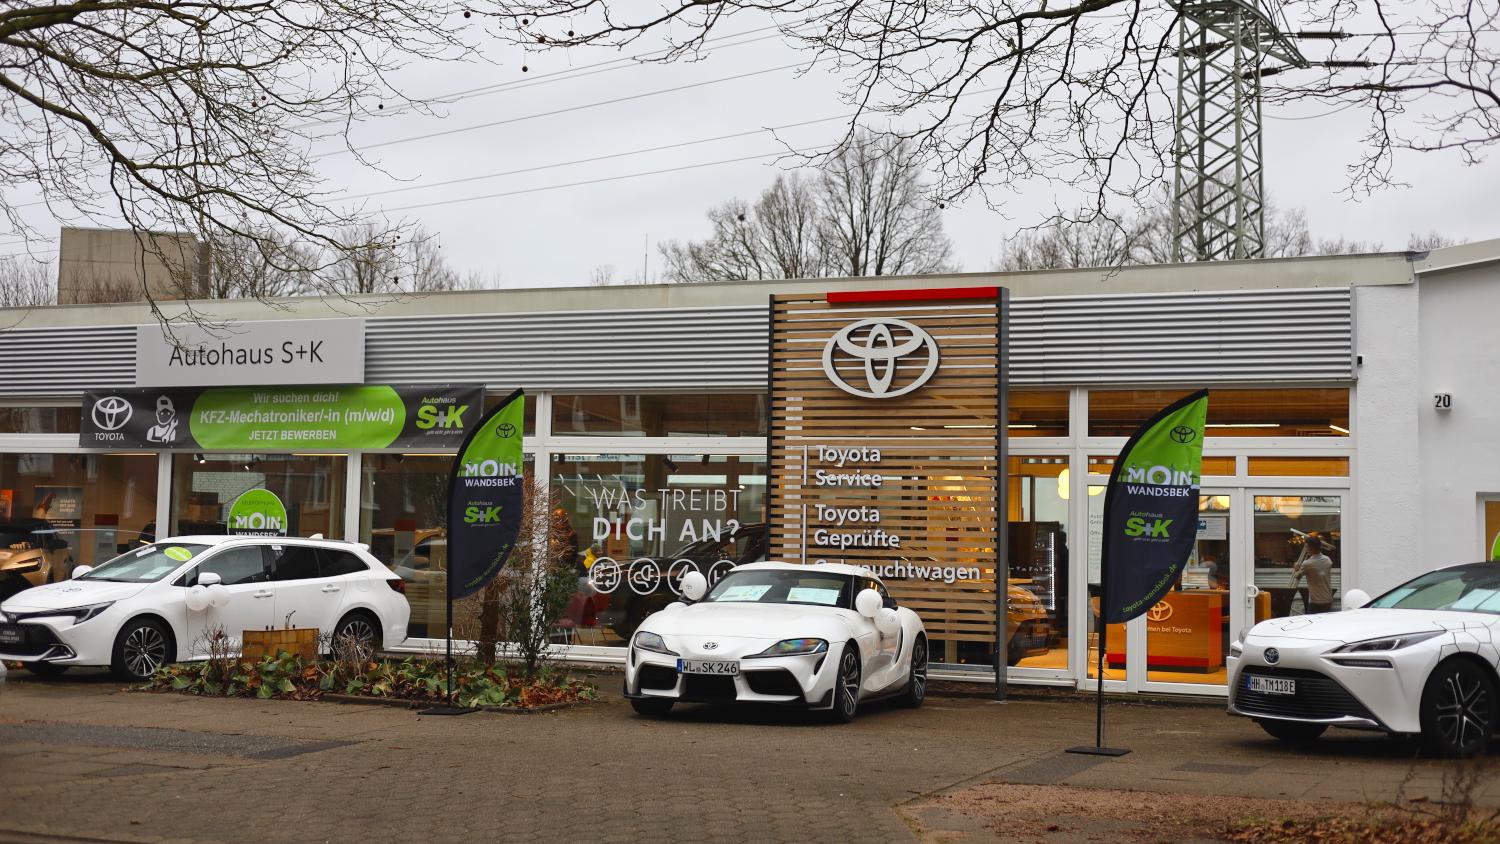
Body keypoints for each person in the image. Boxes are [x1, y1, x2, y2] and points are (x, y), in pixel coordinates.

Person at [1290, 536, 1334, 614]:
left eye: (1307, 547)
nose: (1306, 549)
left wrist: (1296, 568)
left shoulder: (1307, 563)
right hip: (1328, 599)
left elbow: (1297, 576)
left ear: (1311, 548)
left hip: (1316, 601)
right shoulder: (1328, 560)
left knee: (1312, 620)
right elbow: (1318, 570)